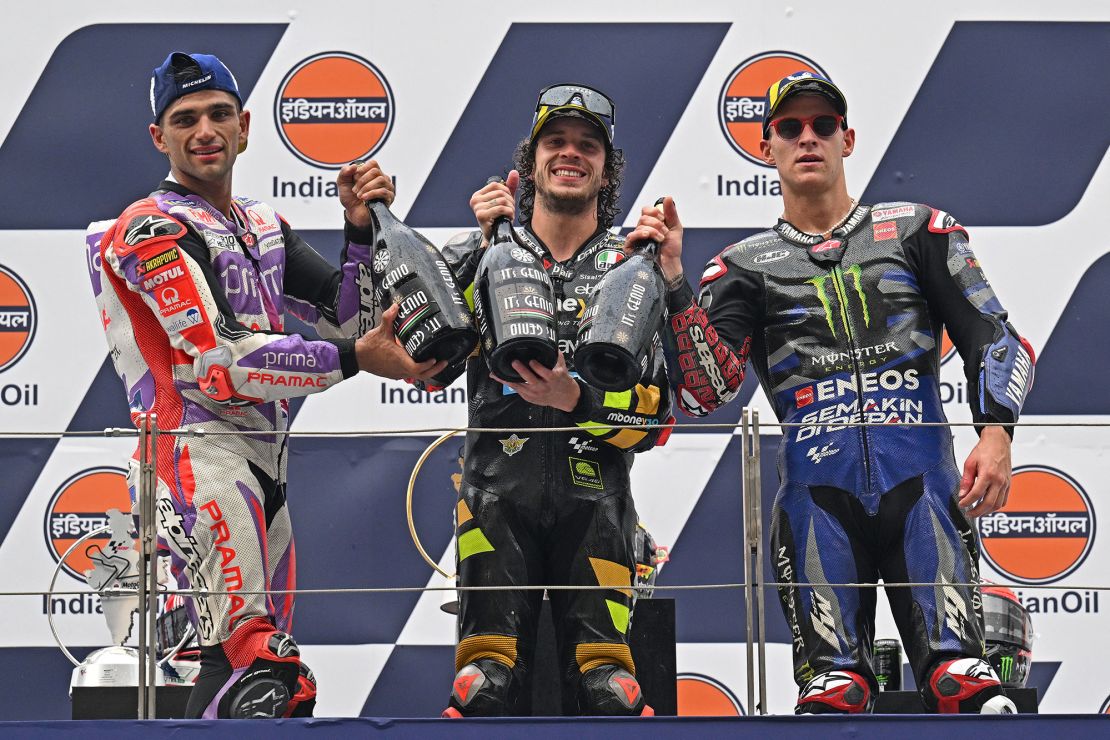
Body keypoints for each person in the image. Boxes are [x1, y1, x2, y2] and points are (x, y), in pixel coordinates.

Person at [627, 71, 1035, 714]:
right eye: (790, 128)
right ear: (767, 149)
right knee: (833, 696)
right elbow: (707, 393)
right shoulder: (741, 267)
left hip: (924, 487)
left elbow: (999, 340)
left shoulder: (918, 230)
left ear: (849, 139)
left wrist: (997, 432)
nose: (807, 138)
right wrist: (676, 280)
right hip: (816, 504)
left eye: (822, 126)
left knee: (964, 683)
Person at [85, 51, 444, 719]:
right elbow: (218, 363)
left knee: (234, 663)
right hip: (195, 453)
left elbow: (346, 315)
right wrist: (360, 360)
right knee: (261, 666)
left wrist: (360, 231)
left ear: (245, 127)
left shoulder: (260, 224)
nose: (205, 130)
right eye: (185, 119)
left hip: (265, 459)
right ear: (158, 137)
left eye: (219, 114)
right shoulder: (149, 228)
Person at [437, 83, 673, 717]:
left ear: (607, 167)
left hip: (599, 506)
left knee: (611, 695)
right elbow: (420, 364)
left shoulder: (633, 266)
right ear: (529, 163)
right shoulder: (481, 251)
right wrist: (479, 253)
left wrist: (578, 399)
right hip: (493, 500)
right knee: (481, 686)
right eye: (556, 142)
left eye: (588, 145)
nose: (571, 154)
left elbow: (655, 419)